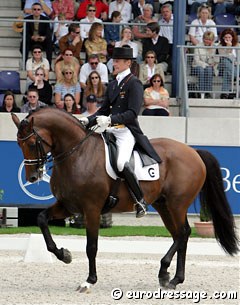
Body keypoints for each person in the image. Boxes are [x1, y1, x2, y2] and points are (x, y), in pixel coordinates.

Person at [79, 47, 161, 218]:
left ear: (127, 63)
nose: (113, 64)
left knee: (122, 163)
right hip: (110, 130)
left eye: (117, 61)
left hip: (126, 131)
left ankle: (140, 200)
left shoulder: (134, 83)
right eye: (113, 61)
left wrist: (110, 120)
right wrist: (89, 120)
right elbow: (103, 109)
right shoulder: (114, 83)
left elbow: (132, 113)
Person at [192, 30, 219, 98]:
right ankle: (201, 92)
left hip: (209, 67)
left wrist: (210, 50)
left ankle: (208, 92)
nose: (207, 41)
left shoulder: (214, 47)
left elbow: (216, 60)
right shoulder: (198, 46)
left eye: (209, 40)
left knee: (209, 70)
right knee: (201, 70)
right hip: (198, 66)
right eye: (206, 39)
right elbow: (196, 60)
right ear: (203, 39)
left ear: (212, 40)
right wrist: (206, 65)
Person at [218, 28, 240, 99]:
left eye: (229, 37)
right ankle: (236, 76)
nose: (228, 39)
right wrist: (228, 46)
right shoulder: (220, 46)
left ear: (233, 37)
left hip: (236, 66)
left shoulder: (238, 45)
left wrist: (236, 62)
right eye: (226, 37)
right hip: (223, 65)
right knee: (225, 60)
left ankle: (224, 94)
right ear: (223, 38)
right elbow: (224, 56)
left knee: (227, 72)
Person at [158, 3, 173, 72]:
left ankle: (169, 69)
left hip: (174, 43)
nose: (165, 13)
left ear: (171, 12)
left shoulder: (176, 21)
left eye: (167, 11)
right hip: (165, 43)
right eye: (163, 12)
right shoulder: (160, 23)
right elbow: (160, 36)